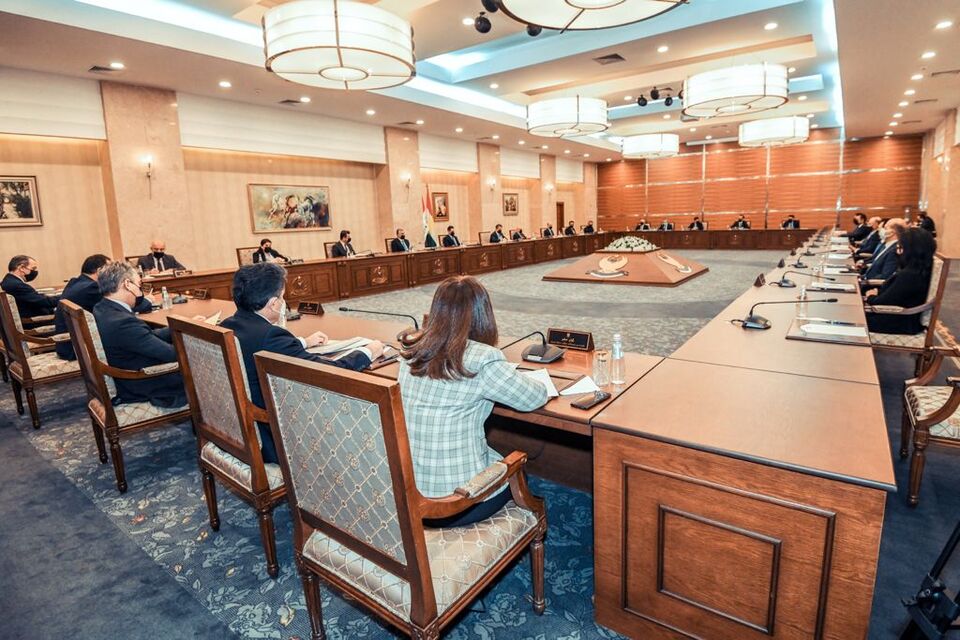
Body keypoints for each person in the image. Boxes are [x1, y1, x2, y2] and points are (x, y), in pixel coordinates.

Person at [398, 276, 548, 526]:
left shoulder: (411, 353)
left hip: (410, 494)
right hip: (457, 503)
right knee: (519, 471)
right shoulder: (483, 359)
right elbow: (533, 398)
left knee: (492, 452)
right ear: (483, 315)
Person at [221, 263, 383, 464]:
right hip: (270, 440)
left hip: (233, 428)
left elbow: (263, 345)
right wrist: (368, 352)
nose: (284, 303)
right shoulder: (270, 335)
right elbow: (329, 373)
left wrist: (303, 342)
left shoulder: (229, 324)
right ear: (273, 304)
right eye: (282, 297)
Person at [92, 262, 187, 408]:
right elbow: (171, 354)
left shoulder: (102, 308)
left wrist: (181, 327)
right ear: (127, 284)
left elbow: (144, 337)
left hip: (128, 369)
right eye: (139, 285)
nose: (140, 290)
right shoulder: (122, 322)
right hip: (144, 382)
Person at [53, 255, 151, 360]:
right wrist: (148, 300)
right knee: (130, 339)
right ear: (100, 271)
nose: (114, 273)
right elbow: (131, 305)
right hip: (76, 348)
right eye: (110, 269)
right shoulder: (92, 287)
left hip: (68, 344)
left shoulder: (76, 282)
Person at [864, 228, 936, 335]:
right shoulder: (922, 269)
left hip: (896, 321)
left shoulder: (910, 275)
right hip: (901, 318)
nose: (898, 251)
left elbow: (882, 302)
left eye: (900, 247)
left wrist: (871, 296)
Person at [2, 255, 59, 319]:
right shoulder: (16, 285)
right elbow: (42, 302)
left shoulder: (9, 281)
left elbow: (34, 298)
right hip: (34, 320)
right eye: (33, 268)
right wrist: (64, 297)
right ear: (22, 268)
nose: (35, 271)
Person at [861, 218, 905, 284]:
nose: (881, 230)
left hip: (871, 285)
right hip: (865, 278)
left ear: (892, 232)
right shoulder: (886, 245)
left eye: (885, 228)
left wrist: (864, 281)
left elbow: (885, 276)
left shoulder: (895, 250)